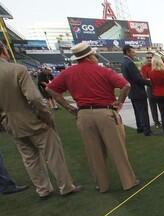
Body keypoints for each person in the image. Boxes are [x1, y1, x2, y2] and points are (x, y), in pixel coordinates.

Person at [47, 42, 139, 193]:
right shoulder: (103, 71)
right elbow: (126, 85)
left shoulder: (68, 72)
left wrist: (69, 107)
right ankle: (128, 181)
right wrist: (120, 103)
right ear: (90, 56)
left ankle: (102, 185)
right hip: (105, 112)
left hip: (83, 114)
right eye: (94, 55)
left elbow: (50, 89)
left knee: (93, 153)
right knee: (118, 150)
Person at [0, 42, 79, 199]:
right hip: (33, 121)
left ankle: (43, 189)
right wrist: (46, 117)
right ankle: (66, 186)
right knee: (53, 155)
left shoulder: (16, 69)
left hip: (11, 123)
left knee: (29, 158)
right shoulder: (17, 69)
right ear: (4, 50)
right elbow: (35, 98)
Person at [121, 45, 153, 136]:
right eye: (133, 51)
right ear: (127, 52)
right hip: (137, 90)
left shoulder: (124, 62)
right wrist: (150, 83)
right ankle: (147, 130)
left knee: (137, 110)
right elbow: (137, 79)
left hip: (132, 91)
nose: (134, 53)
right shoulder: (129, 63)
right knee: (143, 111)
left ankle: (140, 127)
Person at [140, 52, 161, 128]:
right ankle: (156, 122)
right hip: (150, 88)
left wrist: (151, 79)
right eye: (147, 58)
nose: (149, 59)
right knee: (153, 106)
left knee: (161, 105)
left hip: (158, 88)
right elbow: (144, 79)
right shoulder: (144, 67)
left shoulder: (157, 66)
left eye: (150, 57)